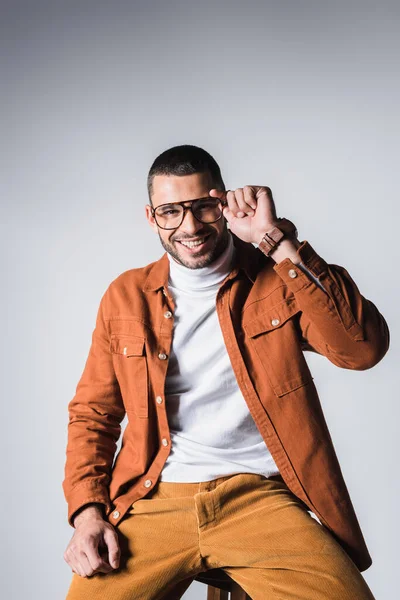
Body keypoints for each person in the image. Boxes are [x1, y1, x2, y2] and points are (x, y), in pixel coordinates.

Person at [63, 144, 389, 600]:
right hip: (154, 499)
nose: (190, 227)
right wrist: (88, 514)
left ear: (224, 203)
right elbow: (93, 414)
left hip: (259, 496)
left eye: (203, 208)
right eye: (171, 212)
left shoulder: (275, 276)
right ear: (151, 216)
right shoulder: (125, 296)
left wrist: (274, 238)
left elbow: (362, 348)